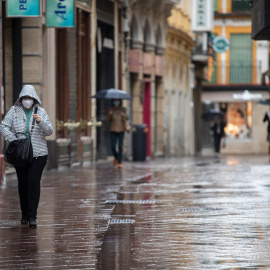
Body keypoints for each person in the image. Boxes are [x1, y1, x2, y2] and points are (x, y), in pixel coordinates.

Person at [0, 85, 53, 227]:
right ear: (21, 99)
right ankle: (24, 214)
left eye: (29, 98)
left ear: (34, 99)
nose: (27, 100)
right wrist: (14, 139)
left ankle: (32, 216)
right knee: (23, 184)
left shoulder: (40, 111)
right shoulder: (14, 111)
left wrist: (41, 122)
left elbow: (50, 131)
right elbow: (3, 126)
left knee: (33, 184)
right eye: (25, 98)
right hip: (20, 154)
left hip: (38, 154)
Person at [106, 99, 128, 168]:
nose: (116, 102)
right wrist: (110, 114)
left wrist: (123, 115)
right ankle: (116, 157)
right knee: (113, 146)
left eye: (117, 101)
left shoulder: (123, 109)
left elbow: (127, 118)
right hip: (113, 129)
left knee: (120, 146)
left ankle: (119, 162)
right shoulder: (110, 109)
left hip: (121, 130)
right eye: (115, 101)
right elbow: (107, 120)